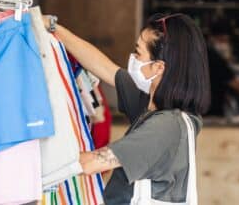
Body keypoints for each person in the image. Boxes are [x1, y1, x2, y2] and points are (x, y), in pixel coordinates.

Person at [43, 13, 211, 204]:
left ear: (158, 68)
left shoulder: (165, 127)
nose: (133, 58)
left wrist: (28, 157)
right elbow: (106, 68)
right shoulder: (152, 106)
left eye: (138, 53)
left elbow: (90, 164)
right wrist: (53, 27)